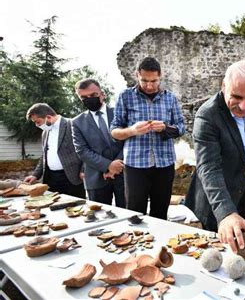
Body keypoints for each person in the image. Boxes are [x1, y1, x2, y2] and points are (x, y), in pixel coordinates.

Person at [185, 60, 245, 252]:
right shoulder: (207, 115)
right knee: (220, 256)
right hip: (219, 197)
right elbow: (208, 167)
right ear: (223, 86)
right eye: (237, 97)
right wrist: (226, 213)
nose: (244, 105)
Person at [110, 57, 185, 219]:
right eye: (144, 81)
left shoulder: (170, 98)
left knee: (160, 213)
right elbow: (114, 131)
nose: (149, 85)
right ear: (137, 75)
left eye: (154, 81)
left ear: (160, 76)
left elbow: (181, 128)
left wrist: (165, 127)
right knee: (135, 214)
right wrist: (132, 130)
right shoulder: (125, 97)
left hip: (164, 164)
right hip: (135, 165)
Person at [71, 78, 126, 208]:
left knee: (130, 218)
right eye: (84, 97)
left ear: (102, 94)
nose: (89, 99)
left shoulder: (121, 114)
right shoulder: (76, 122)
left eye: (93, 95)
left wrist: (116, 165)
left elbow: (130, 140)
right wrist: (108, 166)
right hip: (96, 179)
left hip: (124, 174)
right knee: (99, 220)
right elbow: (82, 151)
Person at [24, 103, 85, 198]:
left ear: (48, 117)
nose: (37, 125)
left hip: (72, 178)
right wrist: (35, 175)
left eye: (38, 122)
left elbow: (86, 149)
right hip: (51, 178)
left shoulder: (72, 125)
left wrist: (83, 170)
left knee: (75, 209)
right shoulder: (45, 132)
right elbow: (44, 156)